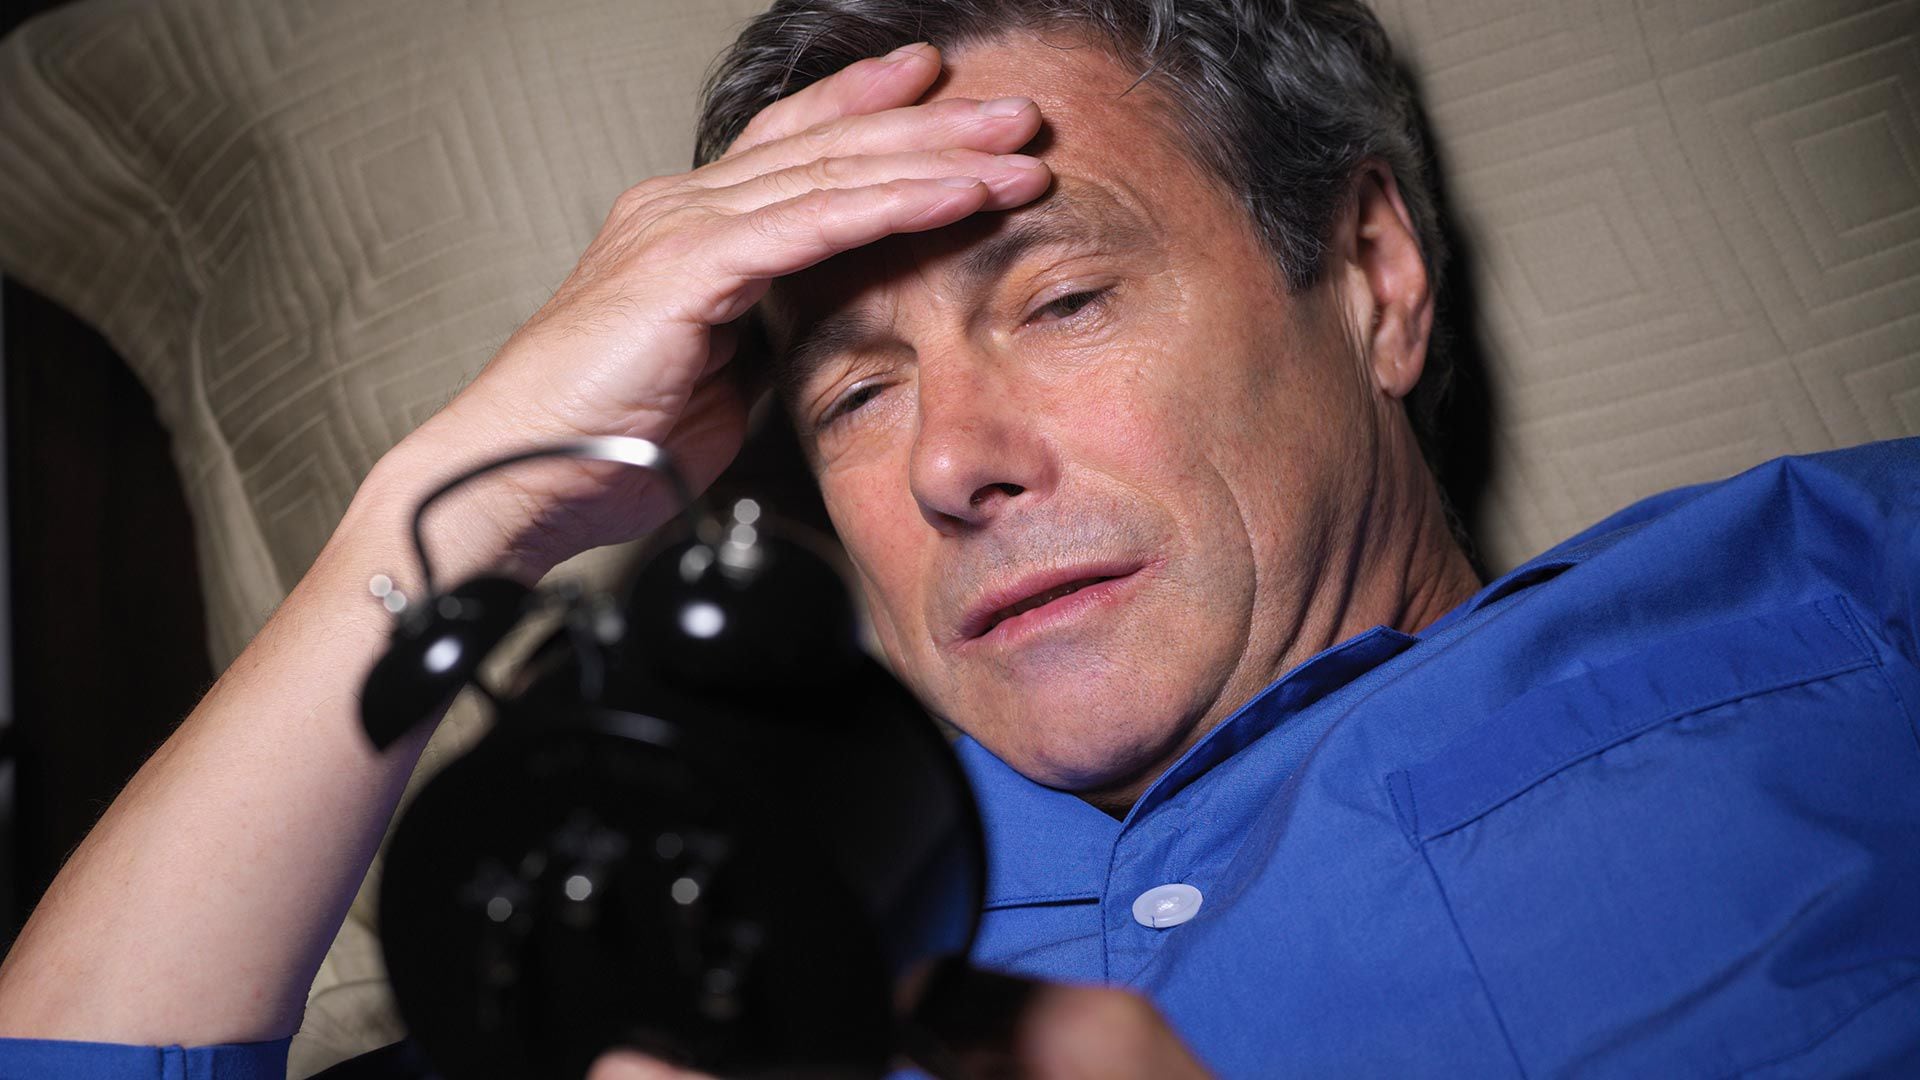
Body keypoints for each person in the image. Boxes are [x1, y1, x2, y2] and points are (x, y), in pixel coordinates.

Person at [2, 0, 1917, 1076]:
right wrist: (476, 484)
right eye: (851, 393)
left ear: (1369, 273)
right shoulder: (660, 896)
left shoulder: (1842, 578)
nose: (952, 464)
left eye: (1064, 302)